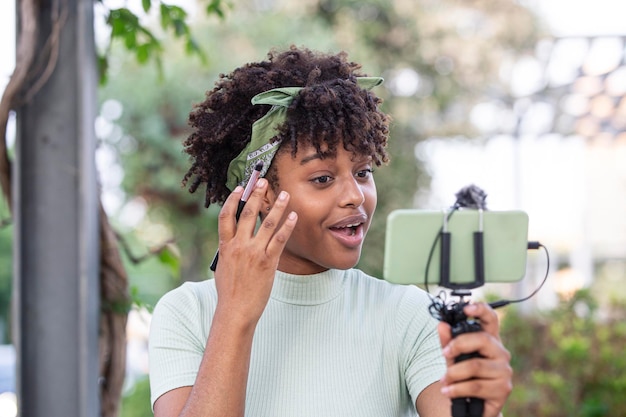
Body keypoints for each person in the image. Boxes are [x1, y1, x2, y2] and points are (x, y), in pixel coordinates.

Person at [148, 45, 512, 417]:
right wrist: (236, 312)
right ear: (264, 194)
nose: (354, 196)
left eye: (363, 172)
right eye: (323, 178)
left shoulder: (411, 315)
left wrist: (482, 403)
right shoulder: (188, 313)